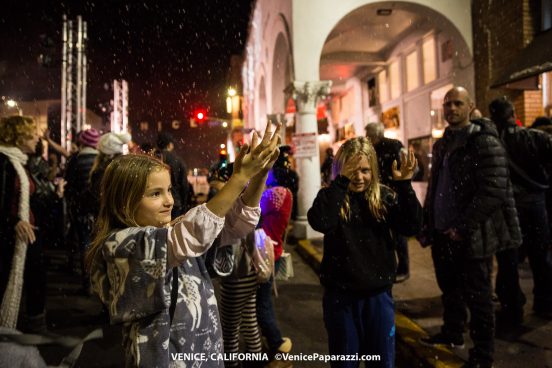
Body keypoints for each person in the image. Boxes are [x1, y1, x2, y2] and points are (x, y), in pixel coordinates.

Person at [86, 123, 280, 368]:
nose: (169, 200)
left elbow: (234, 224)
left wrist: (259, 174)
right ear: (125, 202)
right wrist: (239, 177)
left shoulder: (169, 232)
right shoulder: (121, 244)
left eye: (168, 190)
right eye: (155, 194)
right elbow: (194, 232)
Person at [418, 87, 521, 368]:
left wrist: (462, 227)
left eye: (457, 103)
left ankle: (482, 355)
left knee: (479, 298)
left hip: (471, 235)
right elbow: (435, 188)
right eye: (447, 104)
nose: (451, 108)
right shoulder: (444, 143)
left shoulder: (483, 141)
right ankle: (453, 333)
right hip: (444, 233)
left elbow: (493, 190)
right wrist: (430, 224)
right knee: (450, 290)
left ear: (470, 106)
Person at [308, 137, 422, 368]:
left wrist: (405, 186)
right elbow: (321, 222)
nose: (359, 177)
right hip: (341, 300)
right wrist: (340, 184)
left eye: (365, 170)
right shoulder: (330, 197)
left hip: (378, 297)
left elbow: (412, 226)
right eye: (351, 171)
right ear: (340, 170)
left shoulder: (384, 197)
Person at [489, 97, 552, 319]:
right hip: (535, 204)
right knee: (540, 256)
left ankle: (512, 305)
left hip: (508, 206)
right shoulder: (534, 138)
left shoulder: (490, 142)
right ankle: (544, 302)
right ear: (513, 114)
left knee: (508, 259)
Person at [0, 116, 40, 329]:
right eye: (33, 134)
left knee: (33, 280)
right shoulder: (4, 161)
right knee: (7, 280)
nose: (37, 138)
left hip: (25, 232)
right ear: (19, 136)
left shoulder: (20, 161)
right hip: (9, 235)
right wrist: (13, 221)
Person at [365, 122, 410, 282]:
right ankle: (387, 267)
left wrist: (401, 188)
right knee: (382, 233)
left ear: (375, 134)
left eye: (368, 134)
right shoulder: (371, 150)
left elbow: (406, 168)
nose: (367, 137)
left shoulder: (394, 146)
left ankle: (403, 269)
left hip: (393, 196)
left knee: (398, 235)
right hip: (377, 196)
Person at [256, 166, 294, 357]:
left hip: (265, 252)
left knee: (261, 304)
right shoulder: (286, 194)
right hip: (271, 250)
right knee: (262, 301)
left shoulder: (277, 193)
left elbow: (255, 206)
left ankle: (275, 342)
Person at [64, 128, 100, 290]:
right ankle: (99, 279)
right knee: (98, 242)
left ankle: (87, 280)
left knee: (84, 242)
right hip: (98, 208)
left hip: (80, 208)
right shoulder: (100, 160)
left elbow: (68, 183)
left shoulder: (75, 159)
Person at [89, 131, 132, 215]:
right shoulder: (127, 168)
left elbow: (95, 200)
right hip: (124, 218)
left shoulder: (101, 171)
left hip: (107, 220)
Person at [157, 132, 190, 216]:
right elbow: (184, 185)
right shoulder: (178, 160)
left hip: (156, 203)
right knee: (173, 228)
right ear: (169, 145)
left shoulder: (153, 158)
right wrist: (184, 204)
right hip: (175, 201)